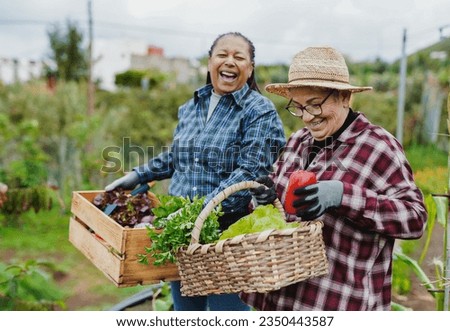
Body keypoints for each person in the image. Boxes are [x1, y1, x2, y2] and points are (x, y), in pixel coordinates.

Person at [105, 32, 286, 311]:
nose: (229, 61)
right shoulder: (191, 106)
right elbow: (179, 157)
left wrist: (197, 213)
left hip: (226, 233)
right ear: (210, 62)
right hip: (180, 230)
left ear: (250, 69)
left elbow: (249, 171)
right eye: (222, 54)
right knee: (186, 312)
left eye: (239, 57)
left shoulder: (259, 110)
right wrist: (140, 175)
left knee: (228, 315)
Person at [243, 46, 427, 311]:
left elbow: (414, 218)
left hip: (336, 302)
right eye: (298, 106)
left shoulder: (378, 146)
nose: (307, 116)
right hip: (280, 302)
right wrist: (265, 197)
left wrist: (343, 195)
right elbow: (281, 211)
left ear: (344, 97)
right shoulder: (297, 141)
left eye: (316, 104)